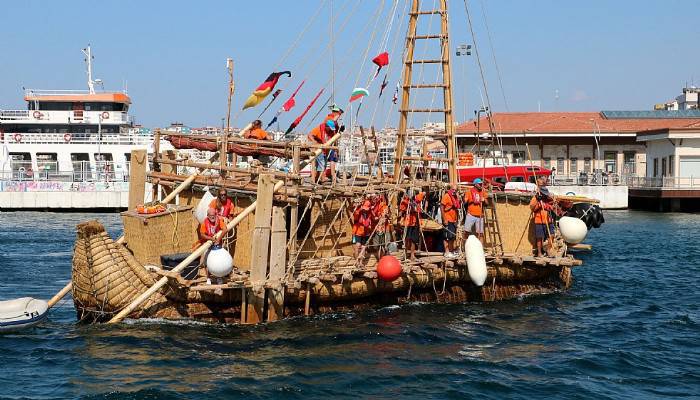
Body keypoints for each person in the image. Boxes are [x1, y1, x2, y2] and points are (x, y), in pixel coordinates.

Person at [530, 176, 555, 257]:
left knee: (552, 235)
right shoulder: (536, 197)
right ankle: (540, 253)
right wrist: (539, 204)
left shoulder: (548, 197)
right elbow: (532, 208)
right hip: (539, 220)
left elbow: (553, 206)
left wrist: (548, 205)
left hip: (548, 220)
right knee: (539, 238)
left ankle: (548, 249)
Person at [307, 120, 337, 184]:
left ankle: (317, 178)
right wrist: (314, 142)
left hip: (325, 150)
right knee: (322, 163)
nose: (330, 130)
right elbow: (310, 134)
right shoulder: (319, 129)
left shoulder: (331, 132)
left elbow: (334, 140)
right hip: (318, 149)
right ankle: (322, 178)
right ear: (327, 127)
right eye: (329, 128)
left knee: (323, 164)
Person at [399, 191, 424, 261]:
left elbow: (424, 194)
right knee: (407, 238)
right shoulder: (405, 200)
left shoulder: (417, 199)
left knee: (414, 239)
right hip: (408, 222)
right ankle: (405, 254)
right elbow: (402, 209)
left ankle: (412, 255)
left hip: (415, 222)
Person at [464, 178, 488, 244]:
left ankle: (481, 249)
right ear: (475, 184)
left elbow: (487, 204)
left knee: (480, 233)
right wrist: (466, 200)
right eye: (479, 184)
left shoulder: (483, 192)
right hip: (470, 214)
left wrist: (484, 200)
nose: (481, 185)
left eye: (481, 184)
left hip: (480, 215)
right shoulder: (469, 192)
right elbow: (465, 202)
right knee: (466, 231)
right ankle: (465, 247)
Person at [440, 183, 461, 257]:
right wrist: (444, 219)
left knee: (452, 236)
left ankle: (451, 251)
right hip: (447, 218)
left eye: (456, 190)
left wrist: (457, 220)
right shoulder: (446, 196)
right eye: (453, 189)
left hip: (453, 219)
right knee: (446, 236)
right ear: (450, 189)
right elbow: (442, 207)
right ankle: (446, 251)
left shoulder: (456, 197)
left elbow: (457, 209)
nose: (454, 191)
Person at [352, 199, 373, 266]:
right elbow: (355, 213)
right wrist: (357, 206)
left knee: (364, 247)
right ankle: (357, 261)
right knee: (357, 246)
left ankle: (361, 262)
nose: (365, 210)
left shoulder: (369, 213)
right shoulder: (358, 211)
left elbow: (373, 217)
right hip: (357, 232)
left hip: (366, 232)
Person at [371, 194, 391, 259]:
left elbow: (388, 215)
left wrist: (386, 215)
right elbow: (373, 217)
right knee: (377, 245)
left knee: (385, 244)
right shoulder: (373, 207)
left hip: (384, 227)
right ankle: (380, 259)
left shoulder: (385, 206)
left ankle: (384, 257)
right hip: (377, 228)